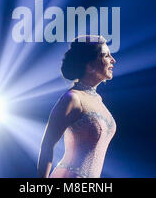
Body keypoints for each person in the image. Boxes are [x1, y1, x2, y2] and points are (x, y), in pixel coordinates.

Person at [37, 35, 116, 178]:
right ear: (90, 65)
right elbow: (47, 145)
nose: (113, 60)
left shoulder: (98, 100)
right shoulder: (72, 98)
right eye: (106, 56)